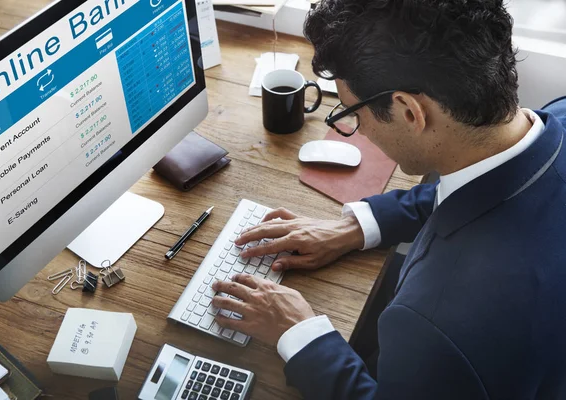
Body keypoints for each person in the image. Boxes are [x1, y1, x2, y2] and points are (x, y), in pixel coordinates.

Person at [211, 0, 566, 398]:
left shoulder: (434, 322)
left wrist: (300, 334)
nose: (358, 131)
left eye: (352, 114)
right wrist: (355, 227)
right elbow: (485, 183)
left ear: (410, 112)